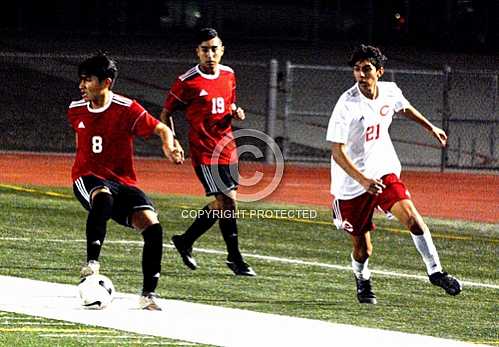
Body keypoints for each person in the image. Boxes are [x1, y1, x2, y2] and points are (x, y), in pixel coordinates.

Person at [326, 44, 462, 304]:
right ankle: (363, 280)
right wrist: (363, 180)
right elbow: (337, 151)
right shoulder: (347, 104)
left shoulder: (390, 90)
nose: (361, 75)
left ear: (379, 71)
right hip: (352, 184)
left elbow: (404, 107)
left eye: (366, 69)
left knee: (413, 219)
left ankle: (436, 271)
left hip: (383, 169)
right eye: (356, 70)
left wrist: (431, 127)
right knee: (363, 249)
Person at [68, 53, 182, 310]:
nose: (81, 86)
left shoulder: (126, 108)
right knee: (103, 194)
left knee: (153, 227)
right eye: (81, 80)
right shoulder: (75, 110)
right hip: (86, 179)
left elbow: (162, 128)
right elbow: (81, 142)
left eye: (87, 80)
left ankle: (148, 296)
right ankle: (92, 263)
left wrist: (169, 146)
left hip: (122, 182)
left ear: (106, 82)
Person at [160, 28, 256, 276]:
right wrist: (173, 142)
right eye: (205, 49)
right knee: (227, 202)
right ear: (198, 52)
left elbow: (229, 102)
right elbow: (166, 113)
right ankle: (235, 258)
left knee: (223, 204)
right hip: (204, 149)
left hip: (227, 146)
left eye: (214, 49)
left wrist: (236, 111)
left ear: (222, 50)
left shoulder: (229, 74)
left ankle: (185, 240)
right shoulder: (187, 81)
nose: (210, 54)